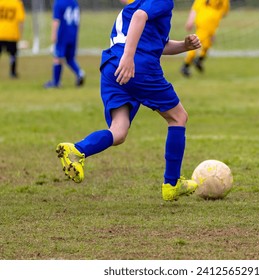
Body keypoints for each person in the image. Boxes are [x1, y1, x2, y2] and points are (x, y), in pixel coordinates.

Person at [55, 0, 201, 201]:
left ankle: (77, 150)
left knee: (119, 130)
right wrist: (129, 57)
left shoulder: (136, 5)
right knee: (178, 117)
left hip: (111, 66)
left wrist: (185, 46)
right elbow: (139, 17)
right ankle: (172, 184)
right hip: (136, 65)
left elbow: (158, 43)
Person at [180, 0, 230, 77]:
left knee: (208, 43)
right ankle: (186, 65)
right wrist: (190, 20)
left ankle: (198, 60)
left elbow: (224, 11)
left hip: (209, 23)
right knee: (196, 42)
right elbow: (195, 8)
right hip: (206, 22)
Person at [44, 0, 85, 88]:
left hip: (63, 34)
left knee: (57, 57)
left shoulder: (59, 2)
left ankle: (56, 83)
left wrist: (53, 35)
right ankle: (80, 73)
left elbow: (56, 20)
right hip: (73, 34)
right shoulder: (74, 2)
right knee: (70, 58)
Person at [0, 0, 26, 78]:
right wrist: (20, 35)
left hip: (0, 32)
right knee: (13, 54)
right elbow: (21, 20)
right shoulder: (16, 3)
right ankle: (12, 73)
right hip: (12, 33)